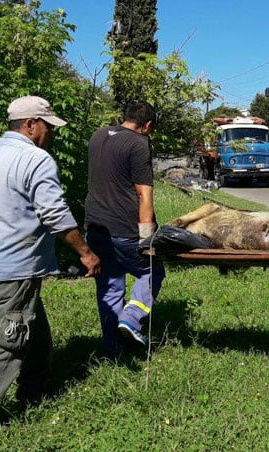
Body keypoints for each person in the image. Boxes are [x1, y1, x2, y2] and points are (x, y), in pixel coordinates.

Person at [0, 96, 100, 447]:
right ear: (30, 125)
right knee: (8, 341)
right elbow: (55, 214)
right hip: (14, 266)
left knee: (37, 334)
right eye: (48, 127)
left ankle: (32, 394)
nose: (52, 135)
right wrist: (85, 252)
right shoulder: (36, 158)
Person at [85, 101, 165, 357]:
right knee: (151, 272)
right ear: (148, 125)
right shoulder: (138, 144)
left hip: (96, 227)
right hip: (125, 228)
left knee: (110, 286)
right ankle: (131, 317)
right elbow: (144, 195)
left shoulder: (98, 135)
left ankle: (112, 349)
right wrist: (147, 239)